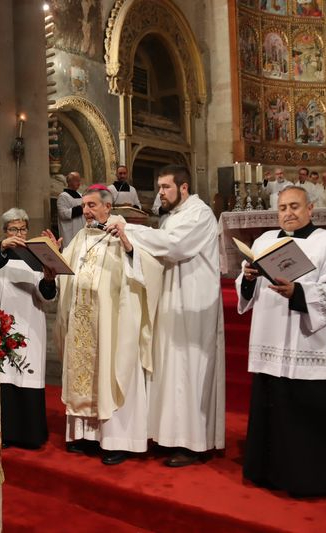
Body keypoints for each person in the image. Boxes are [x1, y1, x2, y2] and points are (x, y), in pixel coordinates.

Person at [235, 186, 326, 497]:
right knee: (274, 406)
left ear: (310, 209)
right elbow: (247, 291)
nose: (288, 213)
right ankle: (270, 473)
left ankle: (313, 478)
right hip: (271, 338)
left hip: (309, 342)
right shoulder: (264, 241)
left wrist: (298, 292)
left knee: (307, 412)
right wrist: (247, 279)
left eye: (294, 206)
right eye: (282, 208)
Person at [125, 165, 225, 467]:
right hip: (171, 300)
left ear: (184, 187)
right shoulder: (172, 217)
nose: (160, 193)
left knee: (189, 370)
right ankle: (169, 436)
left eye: (166, 187)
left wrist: (129, 229)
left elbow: (174, 246)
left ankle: (193, 444)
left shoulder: (200, 214)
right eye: (159, 187)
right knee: (170, 368)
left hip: (194, 302)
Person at [55, 185, 161, 465]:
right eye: (84, 206)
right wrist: (53, 256)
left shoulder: (122, 231)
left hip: (113, 322)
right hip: (83, 320)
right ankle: (86, 437)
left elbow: (148, 269)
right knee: (85, 373)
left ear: (107, 207)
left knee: (112, 371)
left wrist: (128, 246)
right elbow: (64, 271)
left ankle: (118, 440)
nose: (86, 211)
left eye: (91, 205)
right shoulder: (81, 236)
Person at [0, 208, 56, 449]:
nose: (19, 233)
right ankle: (2, 434)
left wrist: (49, 278)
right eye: (13, 229)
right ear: (5, 231)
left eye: (22, 229)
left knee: (27, 375)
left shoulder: (37, 258)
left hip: (29, 326)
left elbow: (47, 296)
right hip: (0, 328)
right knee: (3, 378)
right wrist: (3, 246)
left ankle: (30, 436)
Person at [56, 171, 83, 248]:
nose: (79, 183)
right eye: (76, 181)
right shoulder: (63, 196)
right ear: (69, 182)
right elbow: (63, 214)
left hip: (81, 230)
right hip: (70, 232)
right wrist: (81, 208)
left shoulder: (81, 195)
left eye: (79, 180)